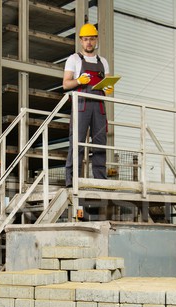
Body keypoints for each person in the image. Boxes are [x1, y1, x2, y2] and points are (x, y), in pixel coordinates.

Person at [62, 23, 113, 188]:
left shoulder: (103, 62)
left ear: (96, 40)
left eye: (91, 39)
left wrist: (109, 87)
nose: (89, 42)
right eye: (85, 39)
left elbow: (107, 83)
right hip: (81, 106)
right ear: (81, 41)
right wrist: (78, 81)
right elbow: (65, 84)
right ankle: (72, 180)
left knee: (99, 143)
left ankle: (100, 181)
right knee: (76, 142)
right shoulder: (74, 59)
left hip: (99, 106)